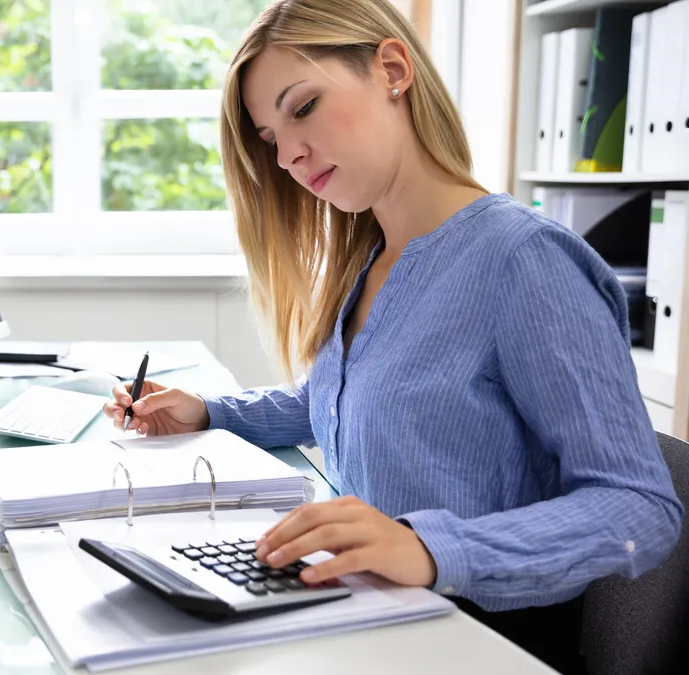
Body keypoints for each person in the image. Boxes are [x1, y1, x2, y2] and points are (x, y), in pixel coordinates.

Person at [100, 1, 683, 672]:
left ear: (393, 69)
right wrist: (209, 411)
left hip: (469, 644)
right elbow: (353, 395)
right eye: (269, 137)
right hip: (370, 622)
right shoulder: (373, 258)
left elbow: (637, 505)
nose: (288, 153)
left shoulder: (522, 261)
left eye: (303, 107)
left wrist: (431, 547)